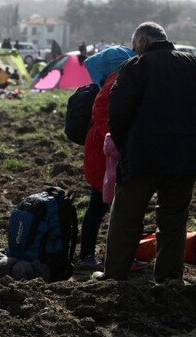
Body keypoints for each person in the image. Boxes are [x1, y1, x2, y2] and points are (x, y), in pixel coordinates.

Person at [93, 22, 196, 282]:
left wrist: (123, 143)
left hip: (141, 157)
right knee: (173, 220)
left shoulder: (135, 67)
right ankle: (170, 278)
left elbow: (118, 112)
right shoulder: (192, 64)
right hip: (184, 159)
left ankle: (115, 274)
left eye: (134, 44)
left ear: (142, 41)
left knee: (127, 216)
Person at [79, 46, 135, 270]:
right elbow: (101, 114)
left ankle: (115, 253)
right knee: (98, 203)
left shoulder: (115, 79)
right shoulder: (115, 80)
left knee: (114, 203)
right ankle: (87, 255)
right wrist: (117, 142)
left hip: (108, 149)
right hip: (104, 151)